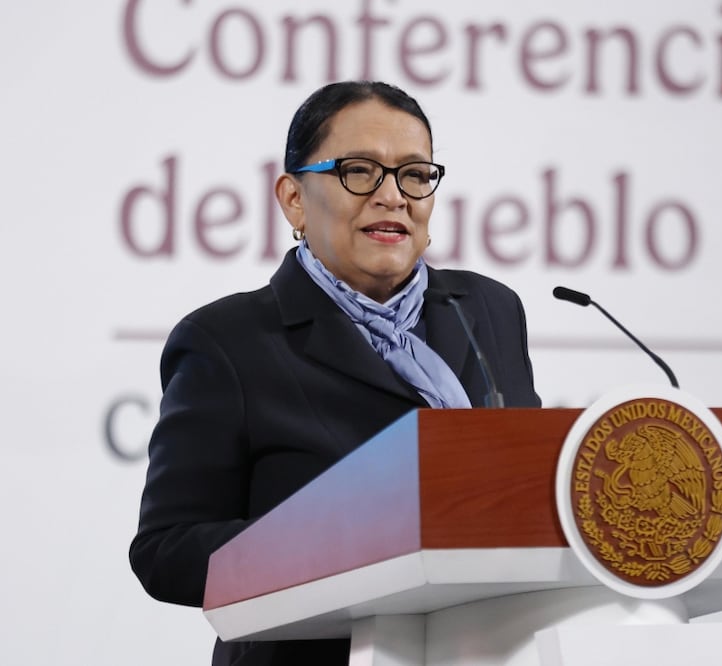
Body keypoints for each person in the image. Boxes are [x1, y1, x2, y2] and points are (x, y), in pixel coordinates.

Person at [129, 80, 542, 666]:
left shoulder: (489, 311)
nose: (393, 196)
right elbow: (165, 553)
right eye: (360, 171)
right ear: (294, 199)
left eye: (415, 175)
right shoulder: (228, 342)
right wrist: (351, 540)